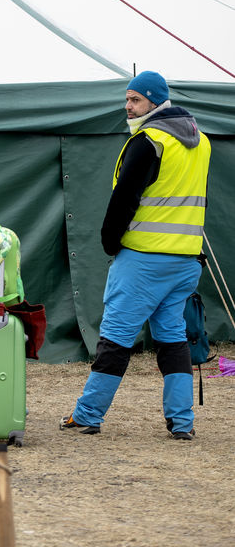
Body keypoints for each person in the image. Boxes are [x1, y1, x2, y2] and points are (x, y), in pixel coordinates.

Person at [60, 70, 211, 440]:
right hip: (186, 260)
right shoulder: (201, 142)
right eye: (127, 98)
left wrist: (110, 242)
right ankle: (182, 423)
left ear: (155, 101)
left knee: (115, 339)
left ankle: (87, 415)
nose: (127, 106)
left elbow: (124, 198)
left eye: (135, 99)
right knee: (173, 339)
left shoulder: (149, 141)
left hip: (143, 260)